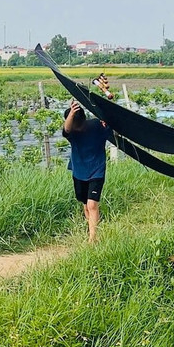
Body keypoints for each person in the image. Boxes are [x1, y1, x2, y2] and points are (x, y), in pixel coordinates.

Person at [62, 99, 114, 243]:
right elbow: (66, 129)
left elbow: (112, 123)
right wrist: (71, 113)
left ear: (84, 120)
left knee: (92, 205)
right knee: (86, 205)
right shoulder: (72, 133)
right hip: (79, 171)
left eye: (79, 125)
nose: (78, 129)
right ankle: (92, 230)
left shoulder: (97, 125)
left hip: (97, 170)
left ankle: (93, 239)